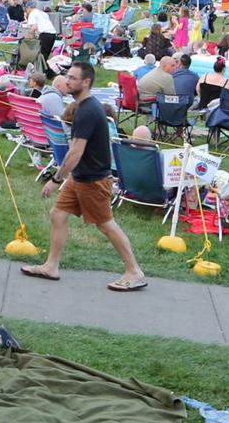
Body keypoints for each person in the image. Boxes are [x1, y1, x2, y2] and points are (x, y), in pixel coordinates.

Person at [21, 62, 147, 291]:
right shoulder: (82, 107)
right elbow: (75, 151)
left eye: (72, 78)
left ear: (86, 82)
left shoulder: (88, 111)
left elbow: (76, 151)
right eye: (67, 77)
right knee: (58, 214)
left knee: (106, 224)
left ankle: (134, 271)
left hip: (93, 180)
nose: (67, 81)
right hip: (79, 177)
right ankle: (51, 266)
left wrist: (56, 179)